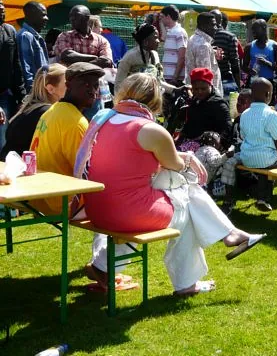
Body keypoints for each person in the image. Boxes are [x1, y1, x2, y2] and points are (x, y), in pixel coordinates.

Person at [78, 73, 265, 295]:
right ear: (156, 99)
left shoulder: (105, 118)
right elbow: (176, 165)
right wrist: (188, 158)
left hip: (97, 208)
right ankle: (191, 278)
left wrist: (182, 157)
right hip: (124, 213)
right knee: (187, 204)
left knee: (184, 196)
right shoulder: (150, 130)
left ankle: (103, 265)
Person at [221, 78, 277, 220]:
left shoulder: (245, 114)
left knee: (263, 163)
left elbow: (244, 136)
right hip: (266, 158)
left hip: (247, 158)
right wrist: (275, 154)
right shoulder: (271, 114)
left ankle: (263, 198)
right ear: (268, 94)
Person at [29, 62, 105, 215]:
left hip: (38, 198)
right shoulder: (75, 122)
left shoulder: (51, 111)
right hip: (62, 204)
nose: (92, 91)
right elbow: (88, 173)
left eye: (95, 85)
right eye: (86, 84)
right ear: (68, 85)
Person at [0, 64, 66, 160]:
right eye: (66, 84)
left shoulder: (28, 108)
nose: (70, 87)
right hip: (22, 167)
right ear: (51, 89)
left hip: (9, 163)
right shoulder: (49, 113)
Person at [177, 67, 233, 167]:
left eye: (203, 89)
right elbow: (190, 125)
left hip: (209, 150)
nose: (199, 92)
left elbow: (227, 129)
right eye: (196, 89)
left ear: (210, 85)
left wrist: (217, 146)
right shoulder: (195, 101)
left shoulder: (218, 104)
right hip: (191, 145)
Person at [0, 0, 28, 153]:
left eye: (3, 8)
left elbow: (16, 65)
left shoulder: (10, 30)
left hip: (6, 95)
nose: (2, 10)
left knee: (6, 140)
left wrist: (22, 97)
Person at [185, 12, 223, 96]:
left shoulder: (194, 38)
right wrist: (212, 97)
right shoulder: (203, 45)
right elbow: (204, 76)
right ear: (203, 26)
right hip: (206, 96)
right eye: (213, 25)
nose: (216, 28)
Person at [16, 1, 49, 91]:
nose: (47, 18)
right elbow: (26, 67)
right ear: (31, 15)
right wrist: (32, 91)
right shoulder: (25, 36)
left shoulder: (34, 36)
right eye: (43, 15)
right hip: (34, 90)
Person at [243, 19, 277, 89]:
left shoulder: (275, 46)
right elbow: (244, 67)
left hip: (269, 83)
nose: (253, 32)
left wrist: (267, 63)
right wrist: (250, 71)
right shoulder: (249, 46)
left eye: (255, 29)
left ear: (264, 28)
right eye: (252, 29)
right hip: (253, 82)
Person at [211, 10, 241, 95]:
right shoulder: (229, 36)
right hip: (225, 77)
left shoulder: (205, 37)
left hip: (209, 79)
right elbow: (234, 62)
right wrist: (238, 84)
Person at [160, 5, 188, 85]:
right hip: (168, 77)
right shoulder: (170, 31)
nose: (161, 19)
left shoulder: (179, 32)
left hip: (174, 79)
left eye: (162, 17)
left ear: (168, 17)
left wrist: (175, 77)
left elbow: (182, 56)